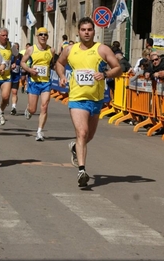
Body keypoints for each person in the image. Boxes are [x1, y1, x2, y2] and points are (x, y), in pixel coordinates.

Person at [55, 17, 122, 187]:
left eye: (89, 30)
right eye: (83, 29)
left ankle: (74, 147)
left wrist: (105, 74)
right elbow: (59, 64)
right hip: (77, 98)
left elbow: (118, 68)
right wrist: (62, 76)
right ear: (78, 32)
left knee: (88, 136)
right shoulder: (70, 50)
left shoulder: (102, 49)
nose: (86, 32)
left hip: (96, 99)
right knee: (82, 133)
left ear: (94, 31)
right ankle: (82, 171)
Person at [20, 27, 55, 141]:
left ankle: (39, 132)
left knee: (44, 107)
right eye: (41, 34)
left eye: (45, 34)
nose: (43, 36)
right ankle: (28, 109)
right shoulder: (31, 49)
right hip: (34, 82)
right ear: (37, 36)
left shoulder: (51, 50)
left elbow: (53, 64)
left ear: (47, 37)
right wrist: (29, 70)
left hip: (46, 82)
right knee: (33, 109)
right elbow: (22, 62)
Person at [0, 27, 19, 129]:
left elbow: (17, 55)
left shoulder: (11, 45)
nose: (5, 37)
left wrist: (14, 63)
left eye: (6, 35)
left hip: (6, 76)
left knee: (6, 97)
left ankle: (0, 111)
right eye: (3, 35)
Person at [10, 42, 23, 115]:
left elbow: (24, 63)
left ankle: (13, 107)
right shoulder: (10, 56)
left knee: (14, 92)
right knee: (6, 95)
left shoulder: (21, 56)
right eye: (15, 47)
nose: (16, 49)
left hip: (16, 77)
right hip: (8, 76)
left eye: (17, 48)